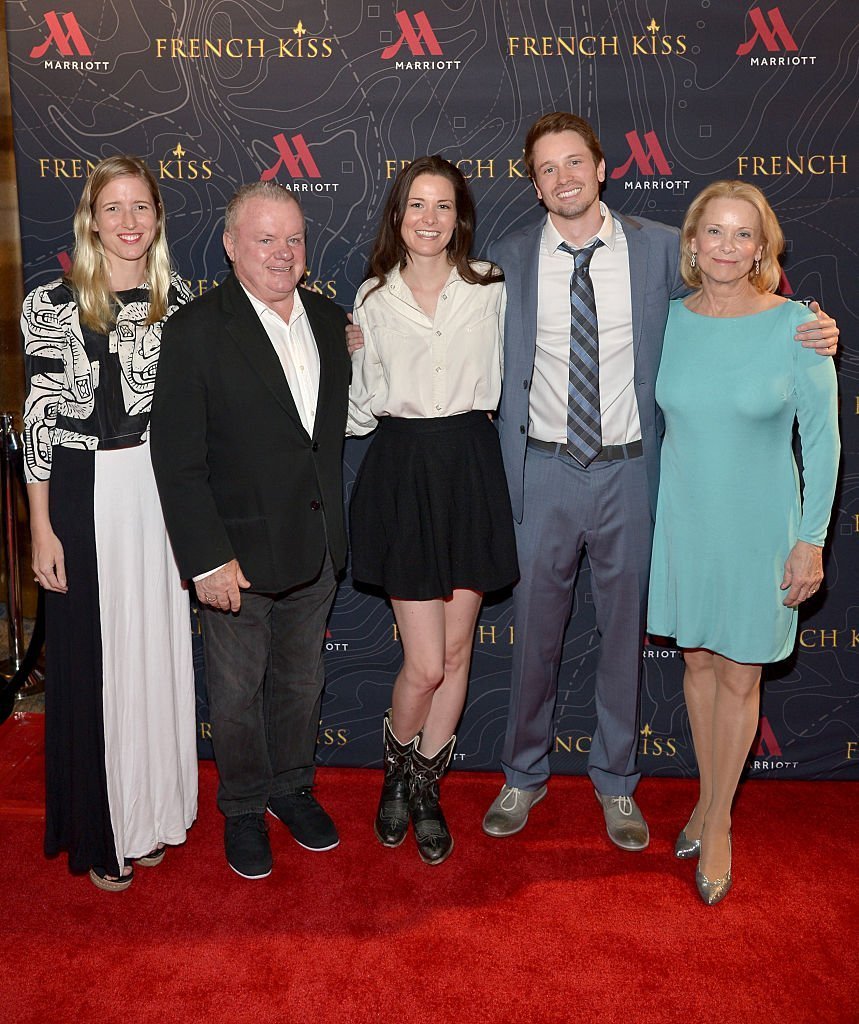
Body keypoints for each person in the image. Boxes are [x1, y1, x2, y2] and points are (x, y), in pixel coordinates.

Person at [478, 112, 839, 852]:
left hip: (634, 474)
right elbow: (447, 318)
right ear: (533, 183)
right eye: (546, 169)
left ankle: (615, 784)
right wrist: (360, 331)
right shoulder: (507, 257)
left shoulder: (652, 250)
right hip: (542, 468)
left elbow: (744, 307)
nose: (563, 178)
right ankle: (522, 772)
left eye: (574, 162)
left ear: (602, 166)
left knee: (623, 642)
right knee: (533, 638)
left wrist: (816, 328)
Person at [150, 183, 351, 880]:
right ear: (232, 245)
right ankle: (240, 807)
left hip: (316, 549)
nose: (281, 253)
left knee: (301, 685)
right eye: (264, 239)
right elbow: (176, 461)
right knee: (235, 697)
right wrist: (205, 560)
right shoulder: (196, 330)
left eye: (293, 238)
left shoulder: (329, 320)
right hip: (234, 557)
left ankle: (291, 789)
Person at [647, 180, 839, 904]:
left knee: (739, 675)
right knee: (696, 663)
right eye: (713, 233)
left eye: (742, 234)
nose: (726, 247)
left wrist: (811, 542)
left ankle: (717, 821)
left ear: (763, 247)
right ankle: (705, 797)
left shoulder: (796, 326)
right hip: (684, 521)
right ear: (690, 243)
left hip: (762, 527)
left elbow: (821, 446)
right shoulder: (664, 320)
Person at [22, 155, 197, 892]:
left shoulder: (181, 300)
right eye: (114, 208)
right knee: (98, 664)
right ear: (91, 219)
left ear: (158, 219)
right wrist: (40, 528)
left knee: (152, 654)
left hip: (160, 496)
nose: (129, 223)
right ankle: (103, 831)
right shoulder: (52, 304)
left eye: (142, 208)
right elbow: (39, 419)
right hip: (81, 491)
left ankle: (149, 814)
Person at [347, 155, 518, 865]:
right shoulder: (371, 299)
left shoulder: (492, 289)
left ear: (459, 218)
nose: (427, 218)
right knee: (422, 664)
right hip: (402, 470)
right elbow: (359, 415)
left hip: (471, 466)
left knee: (455, 652)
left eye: (441, 206)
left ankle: (423, 787)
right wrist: (347, 353)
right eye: (415, 205)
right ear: (397, 214)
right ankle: (395, 767)